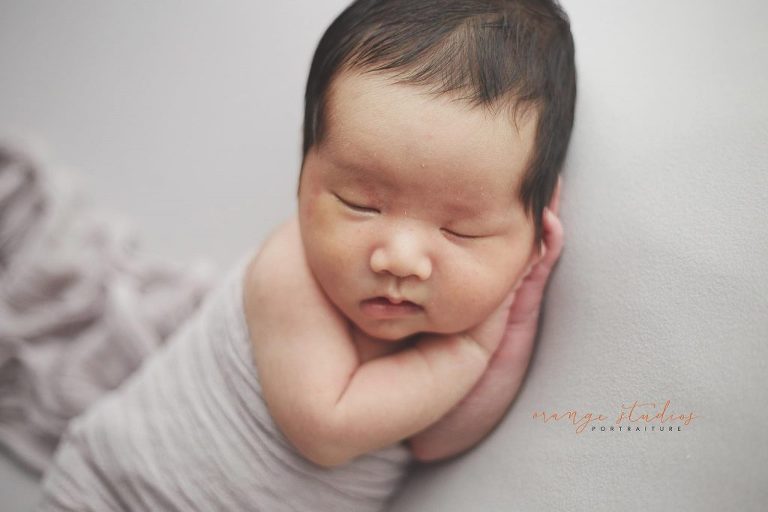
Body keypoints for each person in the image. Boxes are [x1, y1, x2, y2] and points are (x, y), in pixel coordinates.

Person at [37, 0, 576, 510]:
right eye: (360, 203)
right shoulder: (288, 270)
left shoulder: (451, 330)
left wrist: (516, 314)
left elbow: (436, 440)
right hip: (118, 494)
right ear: (305, 169)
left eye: (461, 232)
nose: (400, 258)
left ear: (530, 237)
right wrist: (472, 351)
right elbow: (328, 428)